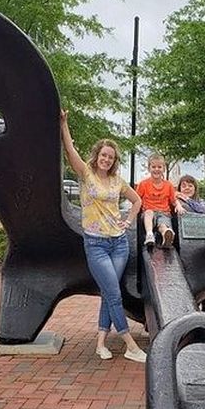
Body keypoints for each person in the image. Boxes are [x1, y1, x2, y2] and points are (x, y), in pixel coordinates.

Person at [60, 109, 147, 363]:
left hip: (119, 243)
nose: (106, 159)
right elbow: (70, 152)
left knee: (109, 292)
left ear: (114, 160)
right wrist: (64, 125)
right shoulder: (86, 175)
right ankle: (129, 344)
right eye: (103, 155)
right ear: (97, 155)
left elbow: (137, 201)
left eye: (110, 157)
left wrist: (128, 221)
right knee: (114, 293)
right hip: (96, 245)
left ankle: (100, 342)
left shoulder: (117, 181)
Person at [136, 154, 185, 247]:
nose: (156, 169)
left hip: (164, 212)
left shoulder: (168, 185)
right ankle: (149, 235)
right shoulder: (143, 184)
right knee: (148, 213)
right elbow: (136, 199)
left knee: (163, 224)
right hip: (148, 212)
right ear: (149, 168)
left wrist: (178, 205)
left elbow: (173, 200)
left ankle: (166, 235)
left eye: (159, 167)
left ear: (164, 169)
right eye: (153, 167)